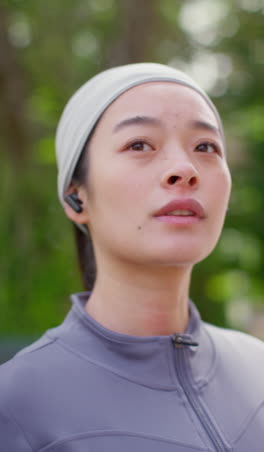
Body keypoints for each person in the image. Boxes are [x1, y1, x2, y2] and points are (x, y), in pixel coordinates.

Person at [0, 63, 263, 452]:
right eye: (139, 144)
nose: (184, 169)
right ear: (77, 196)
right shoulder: (17, 404)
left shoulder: (258, 369)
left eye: (205, 147)